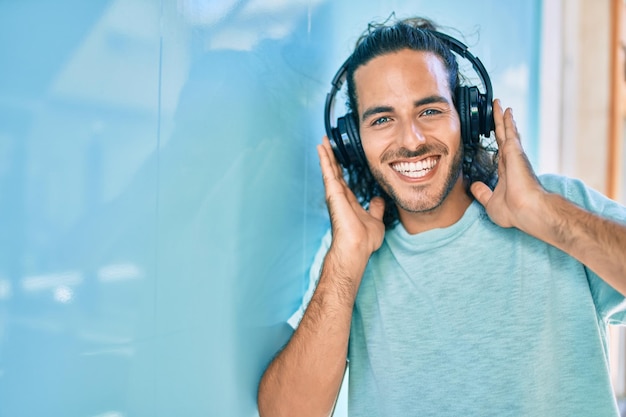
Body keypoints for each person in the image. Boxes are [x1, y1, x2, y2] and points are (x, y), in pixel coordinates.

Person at [257, 16, 626, 417]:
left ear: (468, 116)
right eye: (382, 119)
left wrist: (543, 212)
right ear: (352, 142)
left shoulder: (559, 206)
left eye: (429, 110)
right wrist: (344, 267)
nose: (411, 141)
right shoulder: (348, 256)